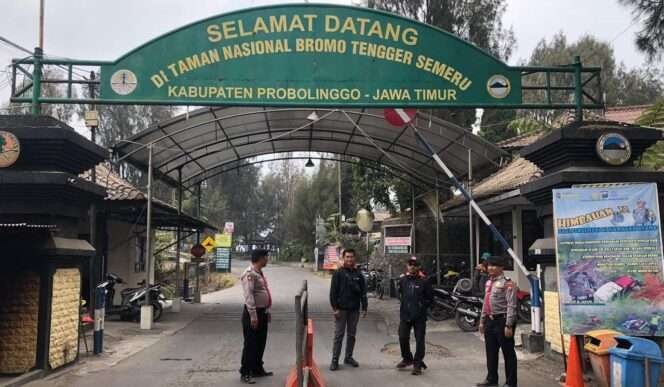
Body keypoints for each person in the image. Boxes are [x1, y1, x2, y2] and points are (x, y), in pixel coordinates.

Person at [476, 256, 518, 387]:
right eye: (489, 265)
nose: (490, 268)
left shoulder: (508, 283)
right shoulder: (489, 282)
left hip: (503, 320)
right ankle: (491, 379)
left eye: (494, 265)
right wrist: (482, 321)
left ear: (501, 268)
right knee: (491, 351)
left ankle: (511, 383)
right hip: (490, 320)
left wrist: (509, 325)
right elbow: (486, 303)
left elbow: (512, 305)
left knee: (508, 353)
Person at [329, 248, 368, 371]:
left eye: (351, 257)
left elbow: (363, 292)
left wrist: (364, 307)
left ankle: (348, 357)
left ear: (354, 258)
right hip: (341, 309)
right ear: (343, 258)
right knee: (339, 335)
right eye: (347, 257)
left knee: (351, 335)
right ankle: (335, 360)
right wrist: (335, 308)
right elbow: (333, 292)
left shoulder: (358, 274)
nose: (350, 259)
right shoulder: (338, 273)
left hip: (354, 310)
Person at [239, 249, 273, 384]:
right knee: (250, 344)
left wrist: (267, 310)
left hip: (262, 312)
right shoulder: (249, 274)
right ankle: (245, 372)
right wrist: (253, 316)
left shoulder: (259, 273)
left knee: (260, 342)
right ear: (260, 258)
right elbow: (249, 296)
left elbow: (263, 293)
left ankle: (257, 368)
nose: (267, 259)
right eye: (266, 257)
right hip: (252, 314)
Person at [396, 256, 433, 375]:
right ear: (407, 266)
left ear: (418, 267)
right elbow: (400, 294)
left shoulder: (425, 281)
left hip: (419, 317)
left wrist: (421, 306)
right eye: (410, 264)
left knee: (420, 341)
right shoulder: (403, 280)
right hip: (405, 315)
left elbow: (430, 299)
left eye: (415, 264)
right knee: (402, 337)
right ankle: (407, 359)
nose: (412, 266)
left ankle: (417, 364)